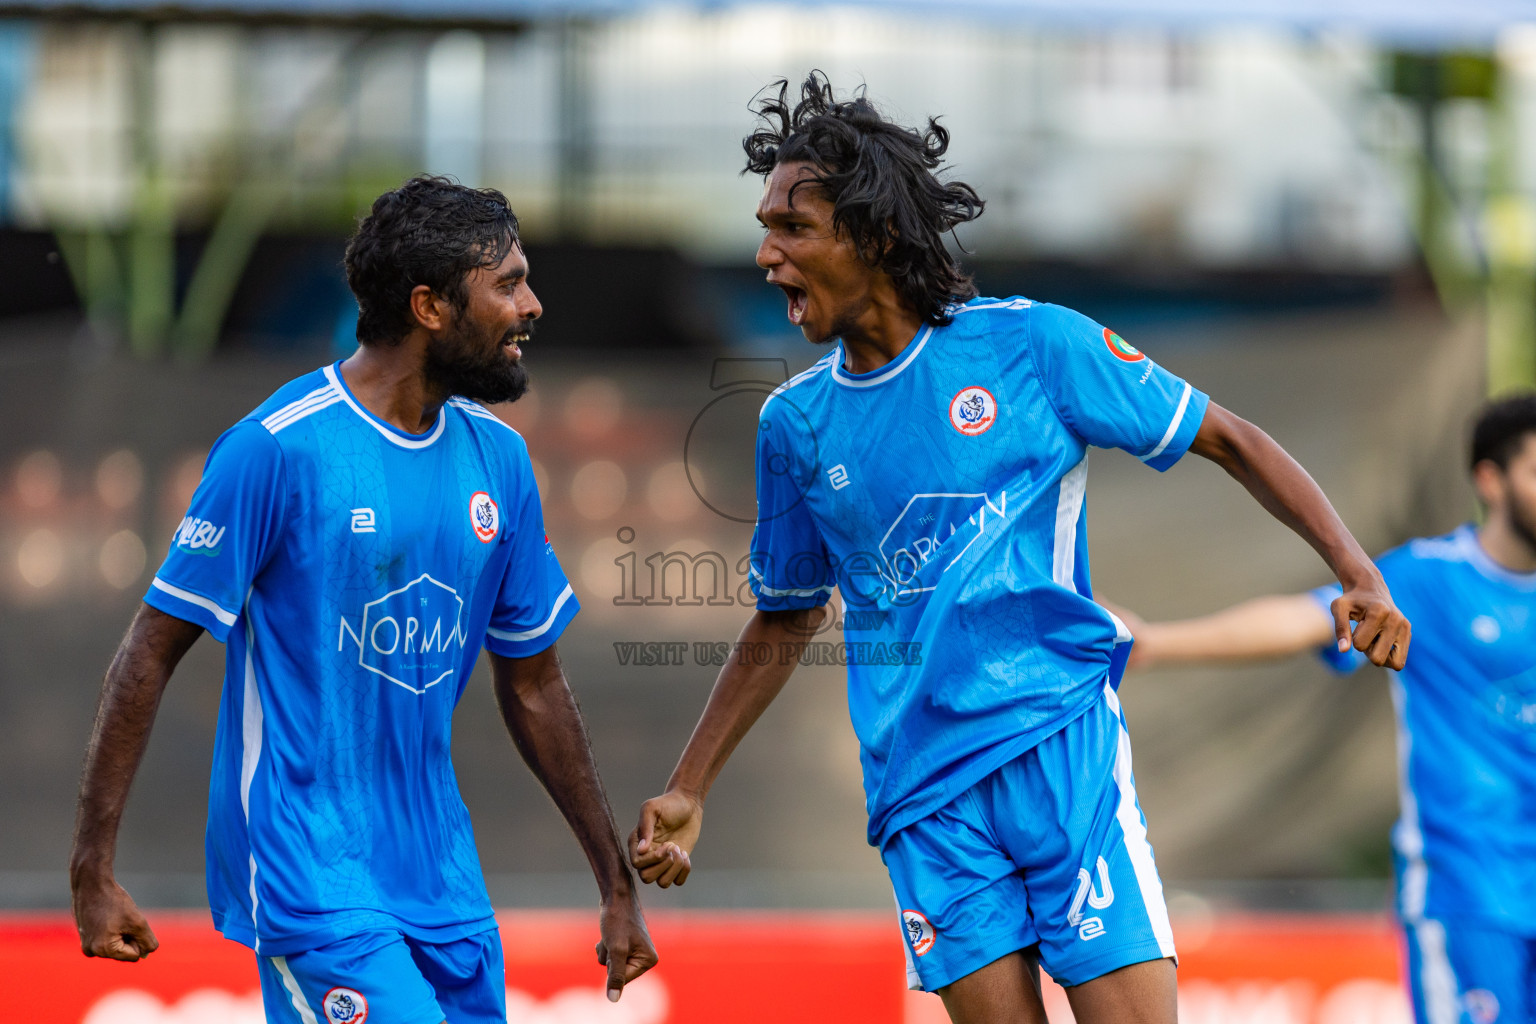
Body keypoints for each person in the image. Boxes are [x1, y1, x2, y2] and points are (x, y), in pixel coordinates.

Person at [625, 72, 1410, 1024]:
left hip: (1059, 748)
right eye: (765, 227)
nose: (765, 253)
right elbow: (787, 614)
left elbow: (1229, 438)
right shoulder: (795, 424)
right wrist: (689, 787)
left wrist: (1357, 573)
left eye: (793, 228)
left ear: (871, 235)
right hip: (924, 795)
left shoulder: (1034, 348)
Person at [68, 176, 655, 1023]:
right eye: (508, 283)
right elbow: (147, 654)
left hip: (445, 881)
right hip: (313, 874)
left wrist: (614, 883)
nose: (531, 305)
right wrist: (93, 868)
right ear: (429, 307)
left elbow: (533, 683)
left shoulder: (501, 462)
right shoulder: (278, 449)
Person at [1114, 393, 1536, 1024]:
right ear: (1491, 480)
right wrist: (1157, 643)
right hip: (1471, 892)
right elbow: (1302, 619)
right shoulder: (1430, 579)